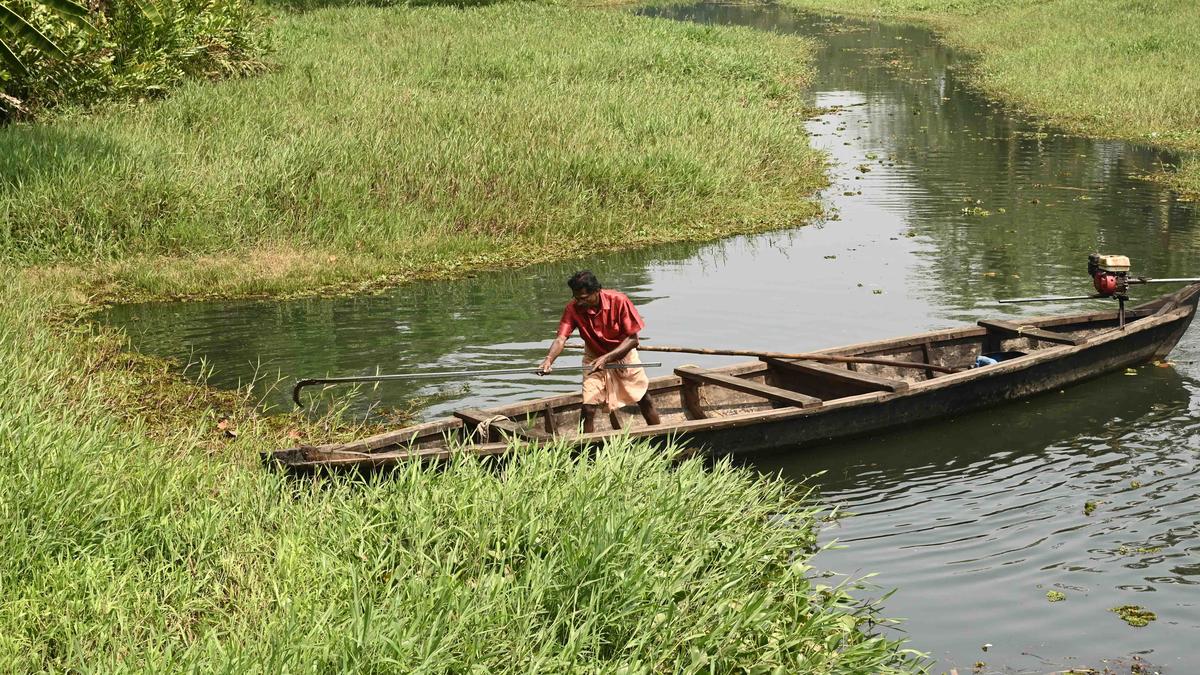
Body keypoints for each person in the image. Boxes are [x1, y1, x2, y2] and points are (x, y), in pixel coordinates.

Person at [539, 271, 661, 433]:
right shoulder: (573, 308)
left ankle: (662, 434)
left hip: (623, 354)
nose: (579, 302)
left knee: (643, 399)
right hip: (594, 357)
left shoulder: (619, 301)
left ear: (597, 291)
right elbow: (561, 339)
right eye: (576, 297)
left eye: (583, 298)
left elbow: (633, 340)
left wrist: (607, 358)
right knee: (588, 408)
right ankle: (586, 449)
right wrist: (549, 360)